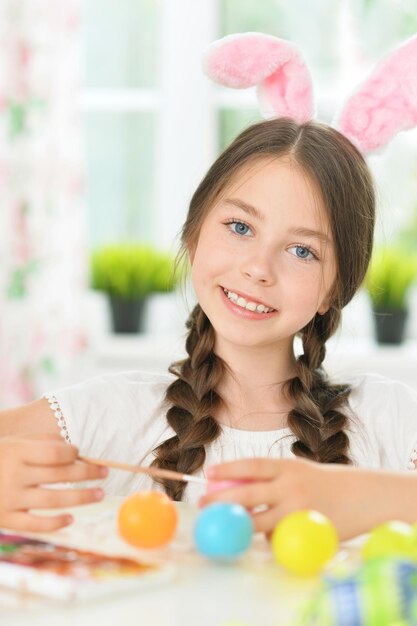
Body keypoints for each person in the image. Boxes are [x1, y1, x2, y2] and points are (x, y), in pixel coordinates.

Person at [1, 115, 417, 539]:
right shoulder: (107, 414)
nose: (258, 268)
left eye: (302, 251)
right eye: (240, 227)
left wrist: (366, 495)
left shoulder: (390, 421)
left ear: (336, 289)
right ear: (193, 236)